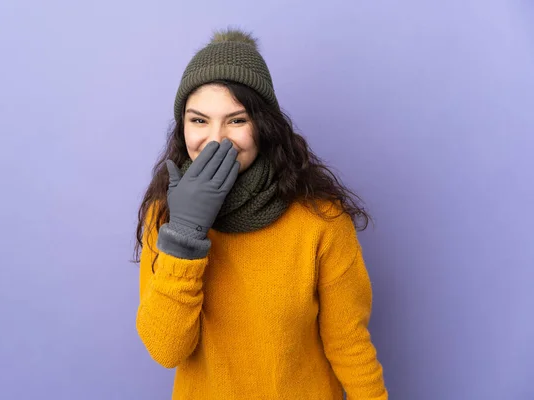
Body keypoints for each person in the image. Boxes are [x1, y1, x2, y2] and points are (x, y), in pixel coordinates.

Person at [134, 27, 388, 400]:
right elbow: (166, 349)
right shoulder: (164, 215)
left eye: (236, 120)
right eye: (199, 120)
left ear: (263, 125)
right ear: (182, 126)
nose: (216, 139)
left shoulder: (319, 219)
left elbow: (349, 343)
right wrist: (185, 234)